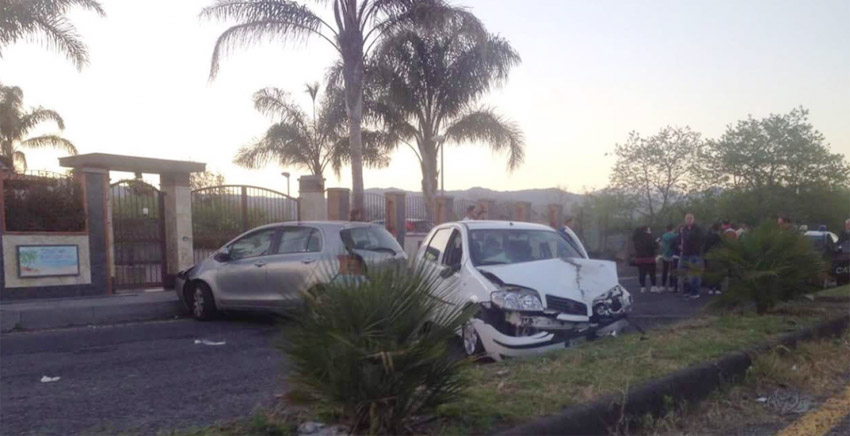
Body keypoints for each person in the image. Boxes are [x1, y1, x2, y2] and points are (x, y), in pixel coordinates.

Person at [679, 213, 704, 299]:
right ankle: (687, 290)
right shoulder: (683, 229)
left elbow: (701, 240)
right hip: (685, 253)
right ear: (685, 220)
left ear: (693, 220)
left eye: (690, 218)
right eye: (687, 219)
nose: (689, 220)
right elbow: (681, 239)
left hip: (695, 254)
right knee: (684, 272)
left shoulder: (698, 229)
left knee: (694, 274)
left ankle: (695, 292)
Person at [632, 225, 659, 293]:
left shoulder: (636, 238)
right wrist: (656, 242)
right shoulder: (649, 236)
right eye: (649, 229)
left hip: (640, 258)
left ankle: (643, 287)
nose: (650, 231)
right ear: (646, 230)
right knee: (652, 273)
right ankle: (653, 287)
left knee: (641, 273)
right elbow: (653, 246)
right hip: (649, 258)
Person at [702, 222, 723, 295]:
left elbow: (705, 246)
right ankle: (718, 288)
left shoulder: (708, 236)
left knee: (710, 271)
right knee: (718, 271)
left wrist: (704, 255)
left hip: (709, 255)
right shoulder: (720, 236)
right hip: (718, 256)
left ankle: (710, 288)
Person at [660, 224, 679, 293]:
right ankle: (671, 286)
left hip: (665, 254)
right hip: (672, 254)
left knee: (664, 271)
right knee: (672, 271)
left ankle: (663, 285)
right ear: (673, 229)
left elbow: (662, 244)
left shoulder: (664, 236)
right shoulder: (675, 235)